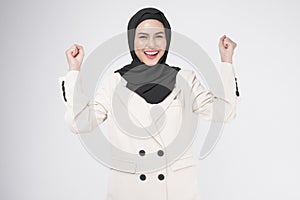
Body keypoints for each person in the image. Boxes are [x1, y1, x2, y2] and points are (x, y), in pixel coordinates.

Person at [59, 7, 239, 200]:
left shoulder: (185, 79)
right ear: (131, 41)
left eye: (159, 36)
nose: (151, 44)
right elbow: (79, 122)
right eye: (143, 37)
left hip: (178, 192)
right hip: (129, 192)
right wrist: (74, 71)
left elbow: (225, 112)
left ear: (167, 40)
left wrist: (226, 61)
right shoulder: (114, 83)